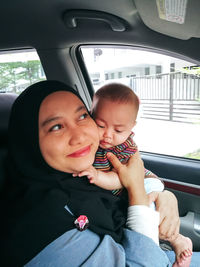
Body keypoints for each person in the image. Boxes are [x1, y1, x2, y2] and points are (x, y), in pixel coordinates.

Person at [0, 80, 199, 267]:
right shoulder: (41, 225)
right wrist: (137, 190)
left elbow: (136, 171)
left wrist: (164, 195)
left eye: (82, 116)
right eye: (57, 127)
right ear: (29, 141)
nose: (80, 136)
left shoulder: (74, 170)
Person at [74, 83, 193, 266]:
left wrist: (97, 176)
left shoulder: (124, 148)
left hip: (143, 181)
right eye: (100, 125)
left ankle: (175, 240)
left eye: (118, 130)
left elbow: (123, 178)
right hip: (128, 186)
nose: (107, 135)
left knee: (150, 210)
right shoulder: (89, 143)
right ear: (91, 115)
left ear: (132, 127)